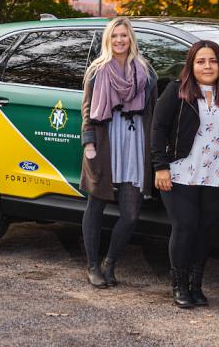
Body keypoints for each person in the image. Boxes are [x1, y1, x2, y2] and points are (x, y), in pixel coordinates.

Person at [151, 40, 219, 308]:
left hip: (218, 173)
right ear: (191, 65)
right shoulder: (177, 91)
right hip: (180, 172)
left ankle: (196, 286)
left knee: (205, 230)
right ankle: (179, 286)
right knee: (184, 227)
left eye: (213, 61)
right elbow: (158, 129)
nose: (207, 66)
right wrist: (160, 167)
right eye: (201, 61)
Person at [80, 17, 158, 288]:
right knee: (96, 205)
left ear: (131, 38)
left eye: (124, 35)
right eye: (114, 36)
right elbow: (87, 109)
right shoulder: (97, 71)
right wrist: (89, 143)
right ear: (108, 40)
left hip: (135, 143)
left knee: (131, 213)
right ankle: (92, 266)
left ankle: (109, 262)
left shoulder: (146, 72)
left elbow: (152, 111)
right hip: (105, 142)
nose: (119, 41)